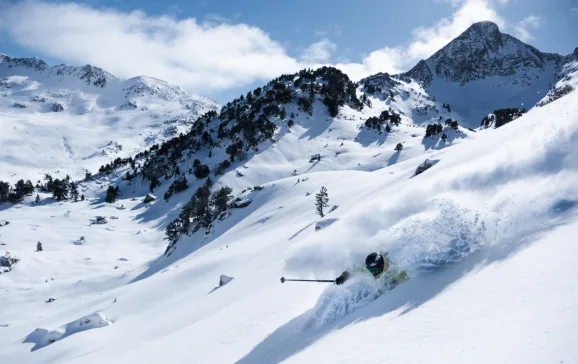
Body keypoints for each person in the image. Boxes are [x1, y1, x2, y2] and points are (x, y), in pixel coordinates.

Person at [335, 252, 407, 285]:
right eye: (370, 270)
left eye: (374, 270)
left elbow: (406, 275)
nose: (372, 272)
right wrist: (342, 277)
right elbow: (351, 270)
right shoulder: (366, 268)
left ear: (381, 266)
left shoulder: (393, 271)